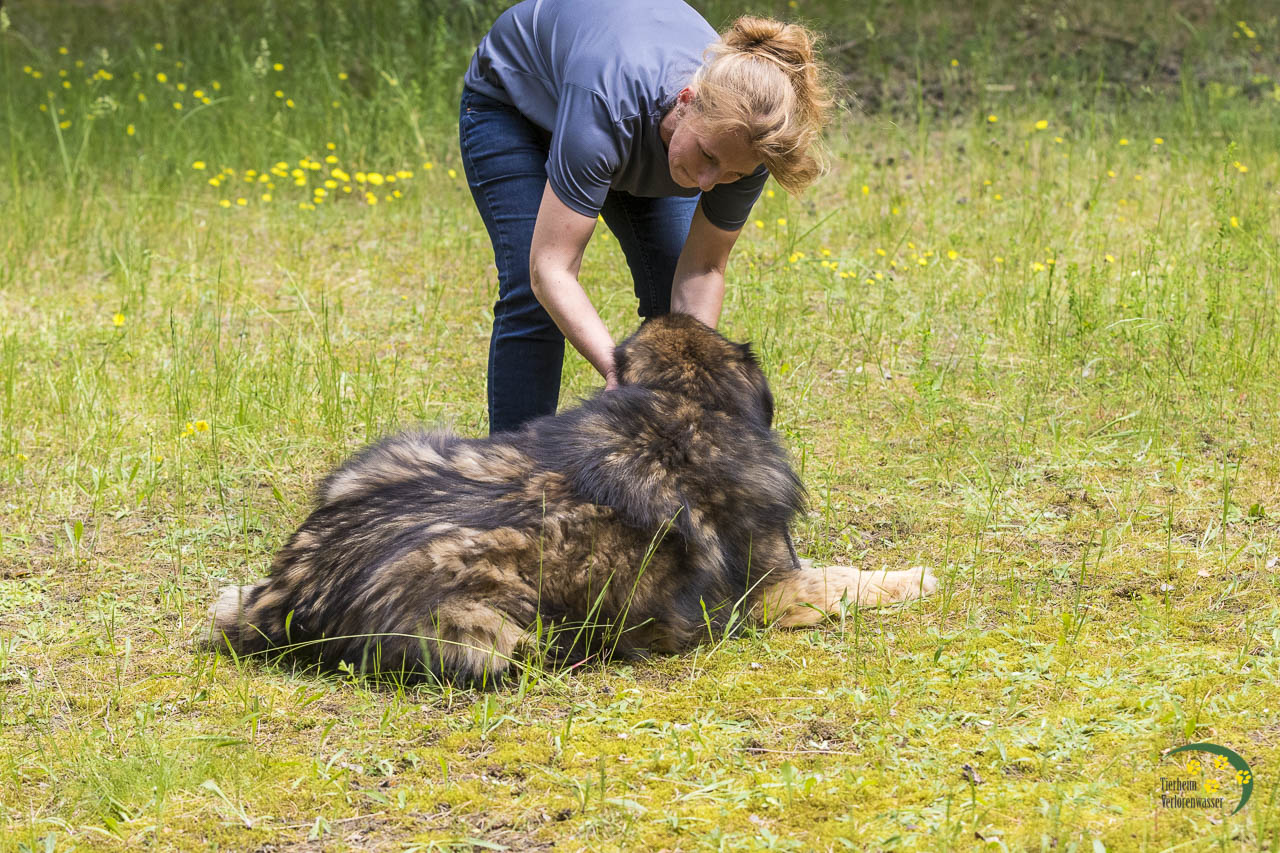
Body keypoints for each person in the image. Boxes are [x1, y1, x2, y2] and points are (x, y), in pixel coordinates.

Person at [459, 0, 832, 433]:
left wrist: (687, 374)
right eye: (707, 156)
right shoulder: (611, 104)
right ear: (687, 101)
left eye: (731, 173)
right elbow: (551, 268)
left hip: (617, 126)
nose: (708, 183)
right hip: (514, 105)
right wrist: (619, 371)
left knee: (673, 300)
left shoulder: (749, 147)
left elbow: (704, 268)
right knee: (532, 295)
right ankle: (514, 465)